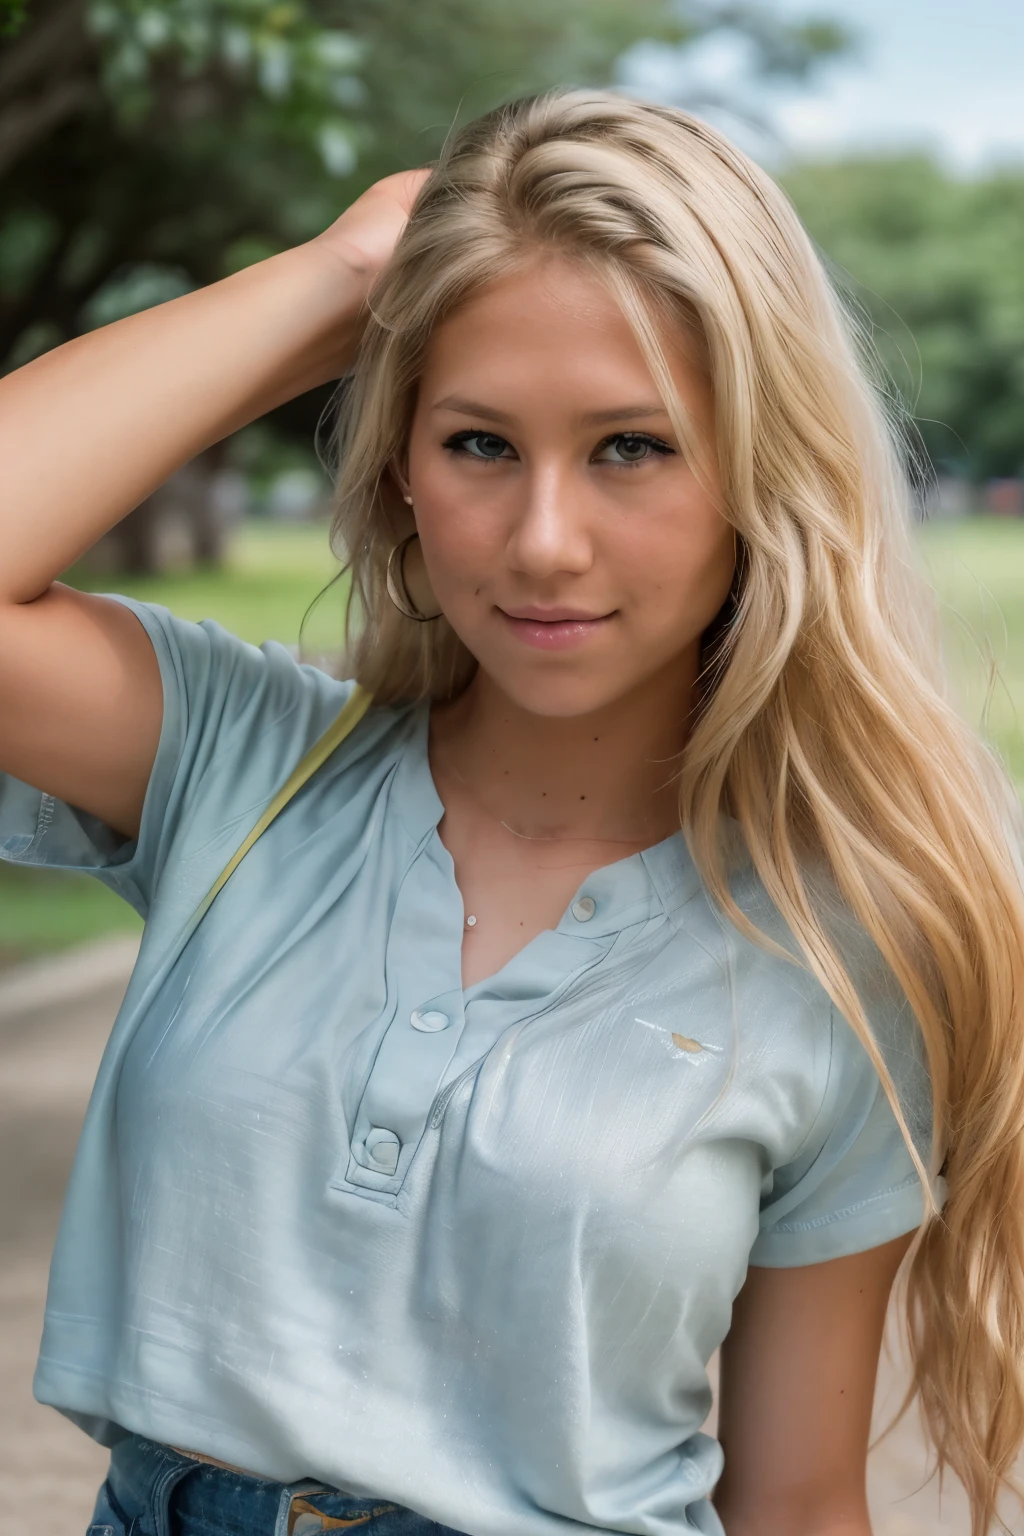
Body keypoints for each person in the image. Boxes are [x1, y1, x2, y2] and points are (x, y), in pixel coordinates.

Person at [1, 88, 1022, 1536]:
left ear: (759, 474)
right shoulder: (240, 760)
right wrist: (342, 280)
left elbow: (797, 1500)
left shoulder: (837, 950)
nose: (545, 542)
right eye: (480, 444)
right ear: (402, 465)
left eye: (632, 448)